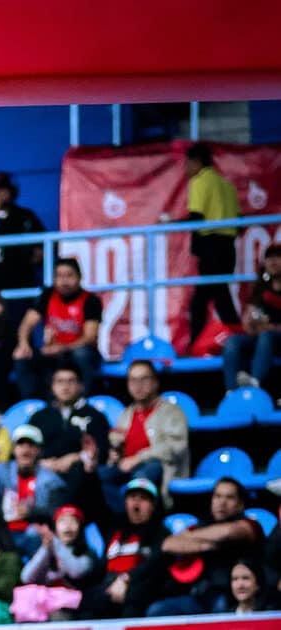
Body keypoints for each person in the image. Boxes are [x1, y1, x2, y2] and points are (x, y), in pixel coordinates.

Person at [144, 477, 264, 617]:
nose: (221, 502)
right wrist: (209, 544)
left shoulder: (250, 524)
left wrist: (193, 539)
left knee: (220, 607)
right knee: (157, 610)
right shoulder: (202, 524)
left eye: (229, 497)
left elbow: (228, 532)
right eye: (217, 496)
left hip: (230, 596)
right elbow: (168, 544)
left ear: (240, 504)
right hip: (199, 595)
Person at [101, 360, 189, 511]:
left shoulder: (171, 411)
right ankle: (123, 516)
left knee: (143, 476)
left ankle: (139, 520)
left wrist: (138, 458)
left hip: (157, 467)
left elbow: (176, 447)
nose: (138, 385)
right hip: (128, 468)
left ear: (155, 382)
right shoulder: (126, 414)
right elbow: (118, 444)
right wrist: (115, 456)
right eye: (133, 380)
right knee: (99, 475)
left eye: (144, 379)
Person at [78, 478, 168, 620]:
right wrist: (90, 473)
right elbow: (95, 502)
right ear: (125, 502)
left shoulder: (161, 532)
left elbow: (154, 564)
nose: (136, 504)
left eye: (143, 499)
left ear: (153, 505)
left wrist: (126, 579)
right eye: (132, 498)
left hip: (138, 590)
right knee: (85, 603)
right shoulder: (114, 528)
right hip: (107, 587)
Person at [13, 258, 103, 398]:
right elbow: (27, 324)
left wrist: (63, 347)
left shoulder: (91, 300)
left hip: (77, 351)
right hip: (52, 352)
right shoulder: (47, 295)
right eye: (60, 276)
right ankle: (32, 403)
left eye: (69, 275)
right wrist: (23, 344)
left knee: (82, 354)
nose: (64, 281)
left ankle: (84, 399)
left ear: (79, 277)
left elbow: (90, 337)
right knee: (21, 356)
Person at [179, 143, 242, 343]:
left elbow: (196, 218)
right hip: (228, 247)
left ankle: (201, 343)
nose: (185, 168)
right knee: (210, 297)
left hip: (211, 247)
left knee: (214, 298)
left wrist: (168, 223)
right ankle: (201, 342)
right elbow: (239, 223)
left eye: (187, 163)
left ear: (196, 162)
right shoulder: (227, 185)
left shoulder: (199, 182)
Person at [0, 424, 68, 557]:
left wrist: (32, 512)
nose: (25, 451)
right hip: (3, 529)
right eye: (21, 445)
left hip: (35, 533)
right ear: (14, 449)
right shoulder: (1, 471)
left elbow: (57, 512)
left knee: (33, 534)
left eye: (31, 445)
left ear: (39, 451)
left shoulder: (51, 480)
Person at [13, 505, 101, 622]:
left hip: (74, 607)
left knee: (59, 614)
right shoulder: (49, 549)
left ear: (80, 527)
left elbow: (76, 571)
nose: (68, 526)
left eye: (73, 521)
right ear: (55, 526)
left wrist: (54, 541)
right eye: (62, 521)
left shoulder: (88, 553)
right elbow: (26, 577)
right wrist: (46, 548)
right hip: (42, 606)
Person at [222, 243, 281, 390]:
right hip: (261, 337)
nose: (273, 261)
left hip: (275, 338)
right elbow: (248, 323)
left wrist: (270, 327)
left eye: (278, 257)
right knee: (232, 341)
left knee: (266, 336)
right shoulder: (261, 288)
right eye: (269, 257)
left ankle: (254, 383)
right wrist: (253, 324)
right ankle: (231, 391)